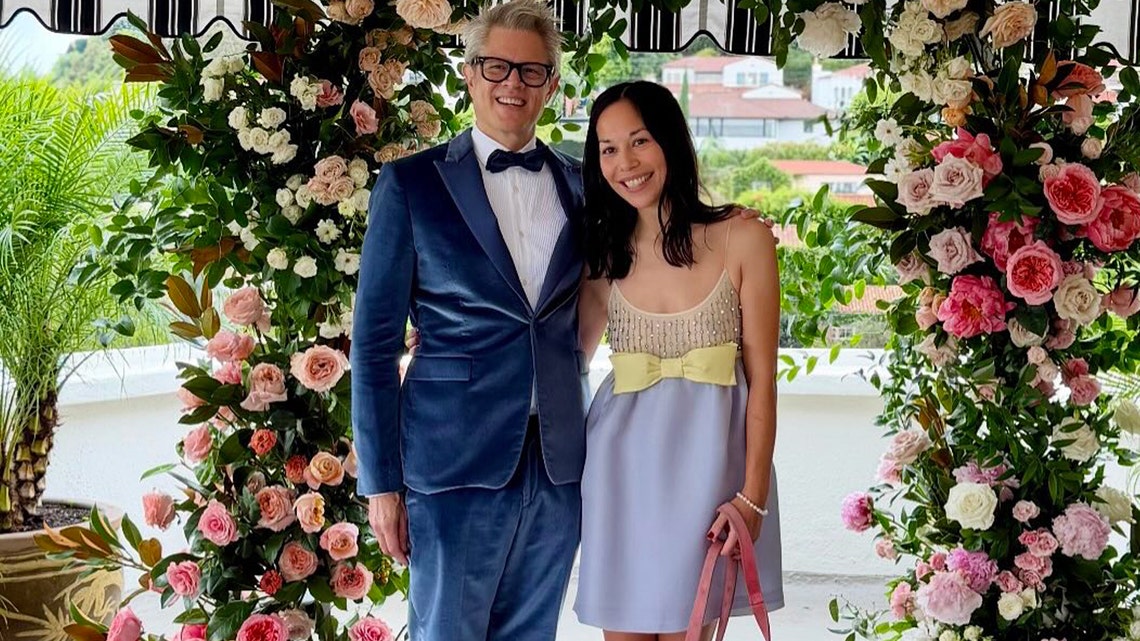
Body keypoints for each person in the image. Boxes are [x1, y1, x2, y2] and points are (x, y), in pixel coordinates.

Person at [351, 2, 589, 640]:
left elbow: (654, 240)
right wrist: (381, 485)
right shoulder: (410, 185)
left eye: (531, 70)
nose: (513, 82)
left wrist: (731, 226)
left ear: (552, 85)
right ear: (469, 73)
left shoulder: (582, 186)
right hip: (451, 461)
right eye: (496, 67)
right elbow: (373, 348)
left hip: (559, 466)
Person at [573, 81, 784, 641]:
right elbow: (562, 360)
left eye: (639, 140)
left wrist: (753, 497)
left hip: (710, 480)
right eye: (608, 149)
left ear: (670, 141)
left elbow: (764, 382)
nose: (626, 163)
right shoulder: (601, 257)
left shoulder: (744, 239)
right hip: (621, 478)